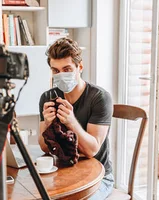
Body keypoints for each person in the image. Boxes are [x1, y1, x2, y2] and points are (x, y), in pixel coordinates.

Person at [38, 38, 114, 199]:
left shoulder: (100, 98)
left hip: (98, 178)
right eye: (56, 71)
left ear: (80, 67)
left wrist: (71, 121)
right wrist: (47, 124)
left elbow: (92, 150)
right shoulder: (48, 97)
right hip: (63, 172)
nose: (61, 75)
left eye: (67, 69)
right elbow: (45, 148)